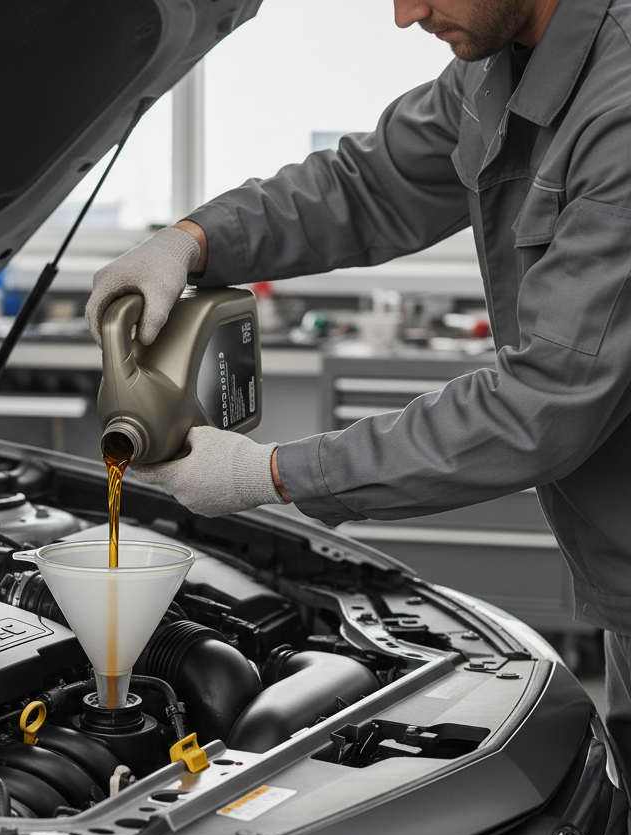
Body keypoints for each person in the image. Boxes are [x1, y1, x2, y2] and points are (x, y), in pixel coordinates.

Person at [85, 0, 631, 772]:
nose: (405, 15)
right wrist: (192, 241)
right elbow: (362, 186)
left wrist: (266, 473)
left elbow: (541, 405)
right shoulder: (495, 74)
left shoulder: (620, 107)